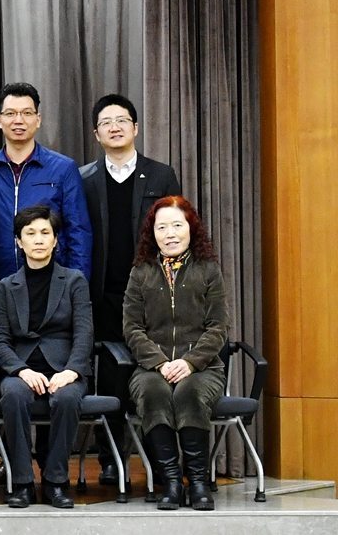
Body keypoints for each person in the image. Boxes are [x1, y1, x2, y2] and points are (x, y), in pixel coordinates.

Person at [79, 93, 183, 482]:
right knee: (110, 377)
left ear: (135, 128)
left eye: (122, 120)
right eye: (106, 122)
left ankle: (159, 459)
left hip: (152, 295)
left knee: (153, 374)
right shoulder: (84, 179)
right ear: (96, 134)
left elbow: (179, 231)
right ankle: (111, 459)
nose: (115, 127)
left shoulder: (161, 175)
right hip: (103, 294)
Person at [124, 196, 229, 512]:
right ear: (152, 233)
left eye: (177, 225)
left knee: (189, 393)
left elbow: (218, 326)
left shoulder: (208, 270)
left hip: (203, 368)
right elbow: (132, 328)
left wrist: (190, 362)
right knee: (153, 393)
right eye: (161, 227)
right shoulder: (141, 272)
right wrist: (159, 363)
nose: (169, 234)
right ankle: (170, 482)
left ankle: (197, 482)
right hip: (151, 368)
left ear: (191, 228)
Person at [0, 204, 93, 509]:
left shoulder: (73, 280)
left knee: (67, 398)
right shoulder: (6, 287)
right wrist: (21, 370)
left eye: (45, 233)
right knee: (13, 395)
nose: (38, 239)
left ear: (55, 239)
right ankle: (22, 483)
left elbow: (84, 332)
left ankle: (55, 482)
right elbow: (0, 339)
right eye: (30, 233)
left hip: (65, 368)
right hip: (22, 370)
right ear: (19, 241)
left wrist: (72, 371)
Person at [0, 82, 92, 284]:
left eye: (27, 113)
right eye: (10, 113)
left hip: (51, 283)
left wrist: (77, 286)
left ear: (38, 119)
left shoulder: (63, 168)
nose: (19, 120)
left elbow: (78, 233)